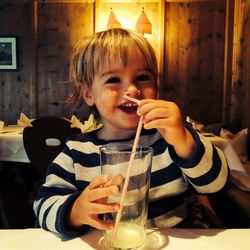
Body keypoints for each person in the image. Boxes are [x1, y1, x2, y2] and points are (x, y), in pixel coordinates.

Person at [33, 28, 229, 236]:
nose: (133, 90)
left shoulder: (170, 138)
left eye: (143, 77)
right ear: (89, 94)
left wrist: (185, 143)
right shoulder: (76, 152)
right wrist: (76, 211)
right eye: (114, 80)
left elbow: (216, 184)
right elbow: (43, 205)